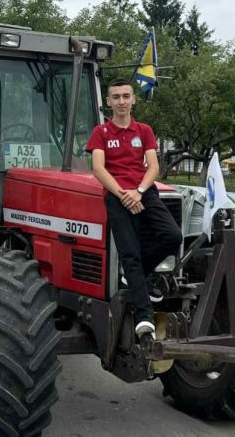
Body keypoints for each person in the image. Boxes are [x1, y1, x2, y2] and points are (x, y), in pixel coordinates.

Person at [85, 78, 182, 338]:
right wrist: (123, 195)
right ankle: (144, 317)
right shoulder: (101, 133)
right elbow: (98, 169)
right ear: (108, 101)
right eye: (116, 97)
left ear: (133, 100)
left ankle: (138, 275)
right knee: (130, 255)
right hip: (117, 195)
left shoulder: (144, 130)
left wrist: (138, 192)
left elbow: (153, 166)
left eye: (126, 96)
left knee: (173, 236)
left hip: (143, 191)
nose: (121, 102)